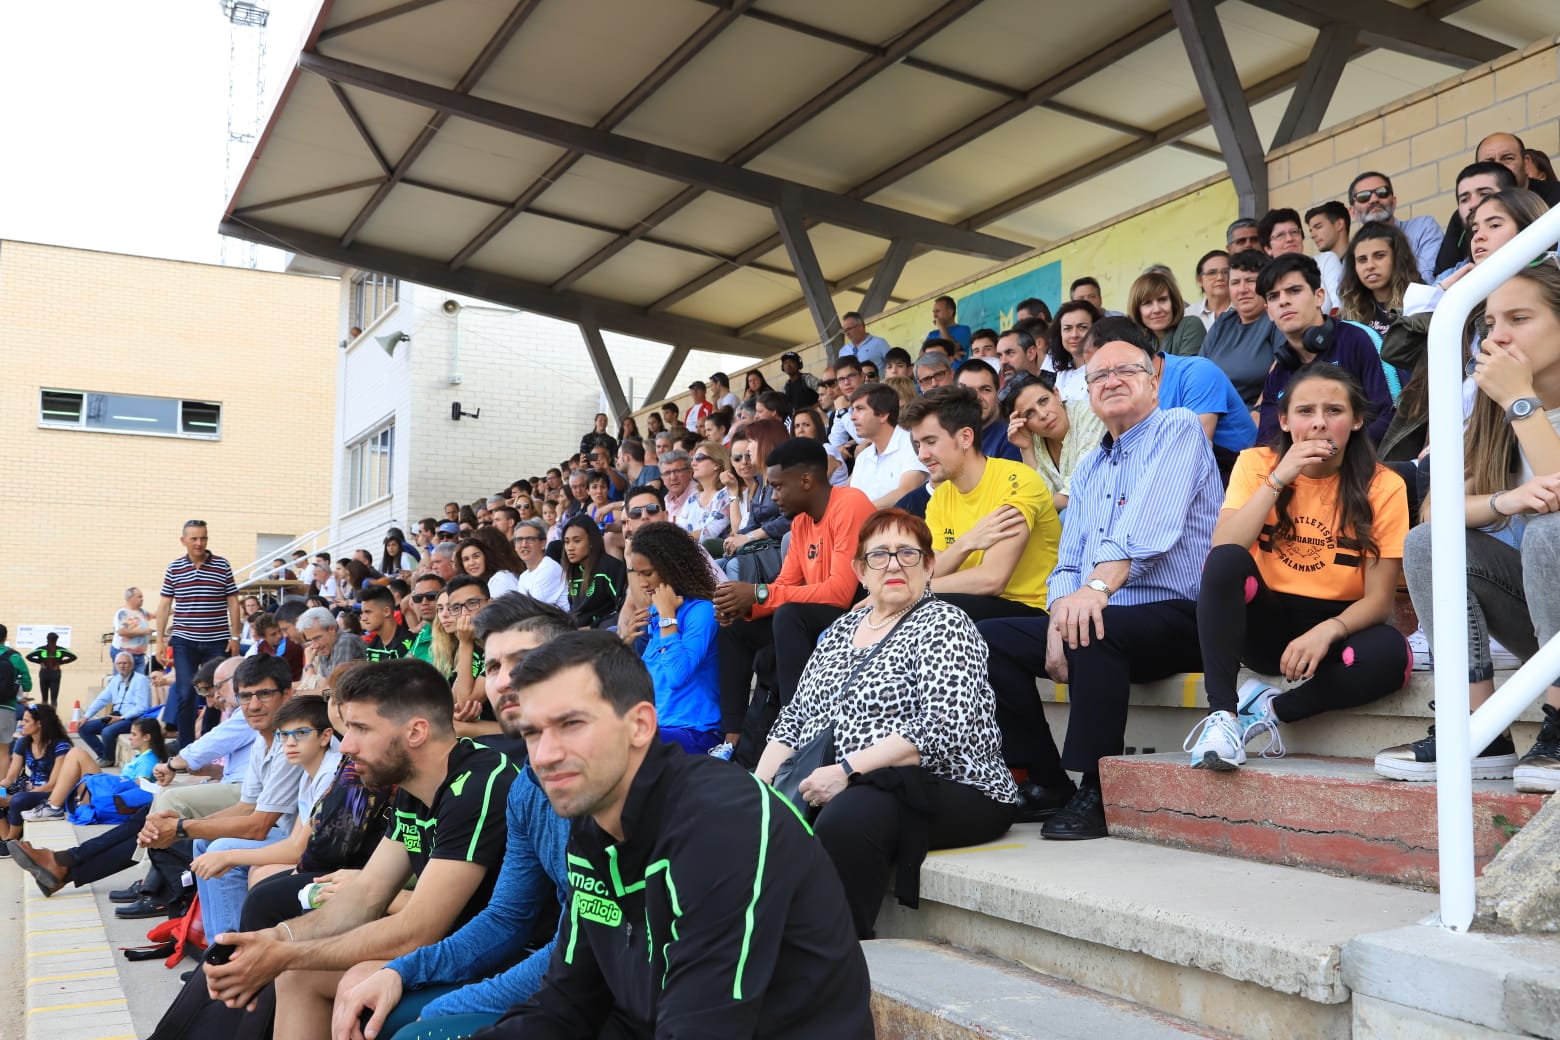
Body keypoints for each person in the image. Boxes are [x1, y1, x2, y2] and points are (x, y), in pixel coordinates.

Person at [480, 631, 873, 1038]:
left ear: (640, 725)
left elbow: (702, 1027)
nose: (545, 755)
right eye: (532, 733)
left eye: (571, 724)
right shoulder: (592, 825)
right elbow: (566, 1002)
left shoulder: (722, 822)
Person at [980, 326, 1223, 838]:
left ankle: (1097, 787)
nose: (1111, 381)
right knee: (987, 639)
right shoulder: (1088, 466)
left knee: (1093, 623)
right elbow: (1068, 561)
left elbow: (1148, 534)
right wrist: (1057, 614)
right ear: (1087, 392)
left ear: (1154, 379)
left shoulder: (1176, 428)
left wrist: (1089, 596)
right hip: (1105, 610)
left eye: (1126, 370)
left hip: (1180, 616)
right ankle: (1048, 781)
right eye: (1099, 376)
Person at [203, 659, 518, 1037]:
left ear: (416, 731)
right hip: (455, 949)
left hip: (509, 960)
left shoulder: (479, 785)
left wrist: (285, 952)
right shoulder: (417, 783)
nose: (346, 744)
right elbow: (367, 893)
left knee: (342, 978)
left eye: (360, 728)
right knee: (298, 975)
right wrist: (276, 938)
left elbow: (418, 931)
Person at [755, 510, 1018, 939]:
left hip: (954, 784)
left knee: (848, 817)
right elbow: (793, 719)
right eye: (879, 555)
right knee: (761, 825)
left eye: (907, 554)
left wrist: (846, 771)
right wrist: (758, 795)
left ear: (929, 565)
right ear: (860, 570)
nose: (893, 565)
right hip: (842, 781)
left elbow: (941, 727)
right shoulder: (840, 631)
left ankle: (835, 950)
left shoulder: (946, 624)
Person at [330, 598, 575, 1040]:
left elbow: (583, 946)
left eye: (522, 662)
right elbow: (505, 917)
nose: (503, 681)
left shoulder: (590, 786)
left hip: (606, 991)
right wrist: (401, 972)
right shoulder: (527, 788)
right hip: (552, 966)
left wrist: (445, 1005)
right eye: (495, 665)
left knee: (410, 1027)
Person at [1375, 262, 1560, 793]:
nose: (1498, 336)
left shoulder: (1512, 400)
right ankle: (1479, 726)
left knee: (1550, 529)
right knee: (1429, 542)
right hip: (1546, 626)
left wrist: (1521, 400)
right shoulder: (1493, 408)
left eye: (1519, 319)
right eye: (1491, 323)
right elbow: (1436, 510)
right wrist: (1506, 499)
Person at [1184, 366, 1411, 771]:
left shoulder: (1384, 485)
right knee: (1226, 560)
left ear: (1356, 420)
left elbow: (1378, 601)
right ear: (1285, 421)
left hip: (1337, 624)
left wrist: (1328, 631)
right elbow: (1224, 547)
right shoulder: (1256, 463)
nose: (1320, 422)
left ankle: (1273, 709)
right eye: (1305, 411)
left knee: (1392, 657)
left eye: (1334, 410)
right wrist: (1280, 477)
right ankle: (1223, 716)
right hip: (1266, 621)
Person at [713, 438, 877, 755]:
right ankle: (731, 739)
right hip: (813, 617)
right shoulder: (801, 522)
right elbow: (787, 582)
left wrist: (759, 592)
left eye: (777, 487)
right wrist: (745, 604)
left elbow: (840, 593)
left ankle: (794, 734)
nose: (773, 497)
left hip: (858, 616)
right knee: (735, 626)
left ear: (805, 480)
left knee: (790, 614)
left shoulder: (850, 504)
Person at [191, 692, 341, 943]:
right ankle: (218, 945)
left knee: (253, 873)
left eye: (301, 733)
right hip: (314, 855)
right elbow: (295, 839)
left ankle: (238, 948)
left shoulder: (329, 773)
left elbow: (297, 849)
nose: (289, 743)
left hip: (336, 865)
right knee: (228, 856)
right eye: (284, 735)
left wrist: (228, 856)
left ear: (325, 736)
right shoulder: (307, 772)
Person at [902, 386, 1061, 622]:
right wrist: (967, 542)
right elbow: (932, 569)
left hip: (1033, 610)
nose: (922, 455)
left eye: (930, 442)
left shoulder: (1016, 481)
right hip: (976, 606)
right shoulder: (941, 496)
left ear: (966, 437)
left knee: (924, 610)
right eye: (918, 445)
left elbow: (993, 579)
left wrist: (908, 593)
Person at [1256, 253, 1398, 444]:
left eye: (1294, 290)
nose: (1283, 301)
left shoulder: (1359, 339)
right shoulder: (1277, 375)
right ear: (1268, 312)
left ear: (1319, 297)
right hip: (1303, 472)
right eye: (1273, 296)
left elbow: (1393, 414)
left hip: (1367, 464)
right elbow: (1267, 445)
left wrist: (1337, 459)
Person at [622, 522, 722, 753]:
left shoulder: (702, 611)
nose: (643, 583)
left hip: (695, 732)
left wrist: (668, 617)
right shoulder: (657, 613)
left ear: (671, 568)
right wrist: (625, 644)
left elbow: (677, 675)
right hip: (657, 727)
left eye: (648, 573)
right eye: (637, 575)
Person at [158, 519, 241, 744]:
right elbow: (164, 605)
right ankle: (186, 747)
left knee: (217, 693)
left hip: (217, 641)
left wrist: (235, 636)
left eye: (203, 537)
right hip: (185, 641)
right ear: (183, 540)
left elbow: (233, 601)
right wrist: (159, 641)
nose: (199, 542)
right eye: (194, 538)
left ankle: (207, 741)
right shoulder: (175, 567)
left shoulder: (222, 565)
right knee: (185, 693)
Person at [1005, 373, 1106, 513]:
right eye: (1029, 414)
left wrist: (1032, 509)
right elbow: (1040, 494)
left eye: (1044, 401)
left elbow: (1077, 491)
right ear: (1024, 424)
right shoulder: (1035, 440)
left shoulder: (1089, 414)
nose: (1042, 414)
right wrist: (1027, 449)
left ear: (1057, 394)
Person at [1201, 249, 1287, 410]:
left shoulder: (1276, 320)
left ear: (1266, 284)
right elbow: (1200, 372)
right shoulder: (1223, 323)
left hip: (1257, 416)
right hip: (1213, 413)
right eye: (1235, 283)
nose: (1242, 289)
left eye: (1250, 281)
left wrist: (1259, 412)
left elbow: (1283, 373)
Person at [1347, 170, 1442, 282]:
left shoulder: (1423, 227)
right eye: (1363, 196)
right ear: (1353, 212)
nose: (1374, 199)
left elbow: (1426, 284)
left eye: (1382, 192)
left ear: (1394, 202)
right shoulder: (1353, 252)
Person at [0, 704, 74, 847]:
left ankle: (11, 842)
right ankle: (5, 839)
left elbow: (53, 784)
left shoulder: (60, 746)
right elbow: (11, 776)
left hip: (53, 793)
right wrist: (2, 787)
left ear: (40, 723)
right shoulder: (23, 743)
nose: (22, 724)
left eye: (27, 721)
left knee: (18, 800)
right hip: (32, 787)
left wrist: (13, 798)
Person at [847, 382, 929, 508]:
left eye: (860, 409)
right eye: (853, 410)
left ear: (883, 415)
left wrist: (862, 513)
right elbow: (851, 499)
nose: (852, 417)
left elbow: (906, 492)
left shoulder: (912, 443)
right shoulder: (863, 457)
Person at [1337, 222, 1424, 336]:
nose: (1370, 266)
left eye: (1379, 256)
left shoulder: (1420, 302)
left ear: (1397, 258)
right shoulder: (1348, 313)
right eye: (1362, 260)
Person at [78, 650, 152, 765]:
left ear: (132, 665)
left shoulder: (140, 680)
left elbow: (142, 707)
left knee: (107, 731)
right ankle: (104, 754)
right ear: (115, 665)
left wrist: (122, 718)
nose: (122, 666)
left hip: (133, 718)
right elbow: (102, 699)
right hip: (116, 716)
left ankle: (108, 758)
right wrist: (86, 717)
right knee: (84, 728)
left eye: (125, 663)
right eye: (119, 663)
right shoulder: (115, 680)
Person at [560, 516, 626, 630]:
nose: (570, 548)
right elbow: (575, 610)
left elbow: (623, 609)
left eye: (577, 541)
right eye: (567, 542)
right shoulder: (574, 570)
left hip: (603, 634)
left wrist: (592, 628)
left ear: (591, 541)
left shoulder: (609, 567)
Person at [955, 358, 1023, 462]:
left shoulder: (1011, 437)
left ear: (997, 393)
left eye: (985, 389)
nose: (977, 397)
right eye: (968, 391)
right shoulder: (950, 435)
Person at [1129, 268, 1206, 357]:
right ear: (1138, 310)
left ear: (1173, 302)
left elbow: (1186, 369)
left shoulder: (1190, 325)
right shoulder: (1140, 340)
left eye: (1162, 300)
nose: (1157, 309)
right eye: (1147, 303)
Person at [1037, 301, 1100, 403]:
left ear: (1096, 330)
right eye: (1067, 329)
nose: (1074, 335)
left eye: (1082, 327)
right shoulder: (1061, 373)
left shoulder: (1104, 369)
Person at [297, 606, 367, 690]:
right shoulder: (326, 647)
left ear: (332, 629)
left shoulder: (345, 642)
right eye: (311, 640)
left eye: (317, 638)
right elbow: (323, 686)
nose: (315, 646)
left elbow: (334, 690)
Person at [512, 519, 570, 610]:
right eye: (519, 540)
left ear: (543, 543)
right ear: (515, 546)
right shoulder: (524, 576)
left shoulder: (548, 568)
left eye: (530, 539)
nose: (524, 544)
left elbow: (531, 611)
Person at [361, 585, 415, 661]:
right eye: (362, 613)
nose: (363, 618)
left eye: (368, 612)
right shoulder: (372, 646)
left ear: (386, 612)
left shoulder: (408, 643)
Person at [25, 632, 76, 708]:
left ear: (47, 640)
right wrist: (60, 663)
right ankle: (51, 716)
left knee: (45, 699)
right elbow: (73, 657)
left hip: (45, 673)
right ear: (56, 640)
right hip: (54, 673)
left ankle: (45, 716)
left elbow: (28, 656)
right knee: (53, 699)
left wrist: (40, 662)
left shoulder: (42, 650)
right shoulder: (60, 650)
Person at [112, 586, 155, 674]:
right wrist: (143, 632)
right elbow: (121, 631)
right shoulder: (123, 613)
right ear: (130, 598)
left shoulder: (142, 612)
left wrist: (172, 610)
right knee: (123, 679)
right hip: (124, 653)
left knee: (139, 680)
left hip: (139, 654)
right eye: (139, 597)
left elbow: (155, 615)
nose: (142, 599)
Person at [1186, 249, 1231, 330]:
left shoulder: (1244, 310)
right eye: (1212, 273)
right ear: (1200, 280)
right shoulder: (1188, 315)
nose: (1220, 278)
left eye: (1226, 272)